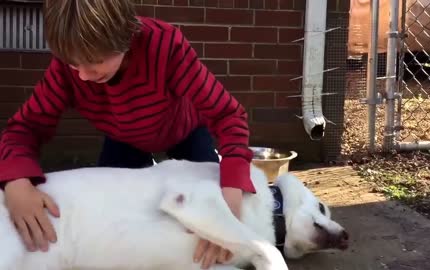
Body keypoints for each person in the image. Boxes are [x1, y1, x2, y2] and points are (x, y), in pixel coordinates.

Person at [0, 0, 256, 269]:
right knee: (113, 223)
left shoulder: (166, 45)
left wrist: (231, 193)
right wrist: (17, 181)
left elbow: (228, 114)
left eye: (95, 62)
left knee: (208, 214)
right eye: (74, 64)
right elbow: (25, 128)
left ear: (125, 36)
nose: (84, 76)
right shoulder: (67, 69)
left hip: (185, 131)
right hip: (123, 138)